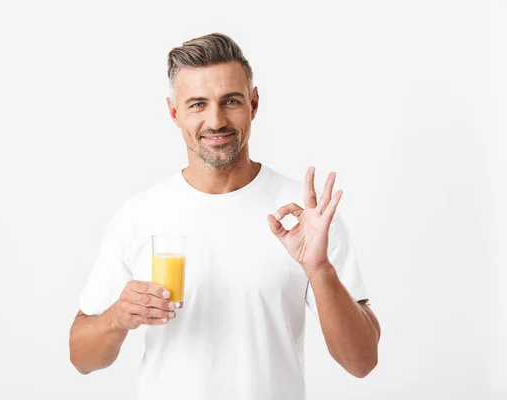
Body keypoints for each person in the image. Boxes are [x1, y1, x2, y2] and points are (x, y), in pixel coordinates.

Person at [69, 32, 381, 399]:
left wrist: (319, 269)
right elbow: (81, 357)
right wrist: (118, 317)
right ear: (174, 112)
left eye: (230, 101)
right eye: (197, 104)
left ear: (254, 102)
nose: (216, 121)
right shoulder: (140, 215)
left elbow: (361, 362)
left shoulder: (305, 216)